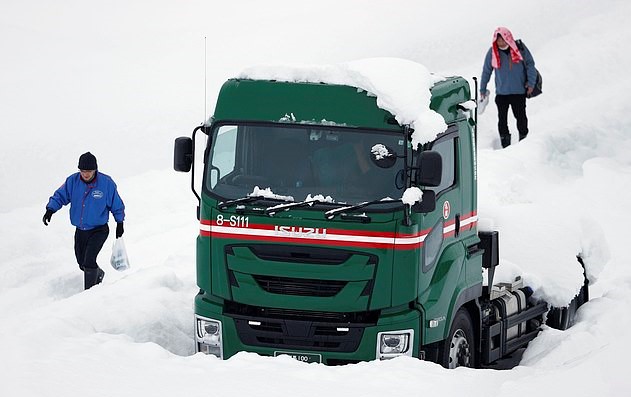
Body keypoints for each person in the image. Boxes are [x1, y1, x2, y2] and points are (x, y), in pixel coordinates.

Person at [42, 152, 125, 290]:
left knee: (89, 261)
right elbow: (60, 196)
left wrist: (120, 223)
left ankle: (89, 293)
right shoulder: (72, 181)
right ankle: (98, 274)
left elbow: (116, 204)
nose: (86, 174)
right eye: (83, 171)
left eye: (89, 171)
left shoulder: (106, 183)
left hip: (99, 230)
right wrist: (50, 209)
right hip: (81, 230)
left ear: (95, 170)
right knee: (82, 263)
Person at [480, 27, 537, 148]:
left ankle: (523, 141)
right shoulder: (492, 52)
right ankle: (505, 145)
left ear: (508, 38)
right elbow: (486, 71)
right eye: (498, 40)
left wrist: (531, 84)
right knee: (502, 120)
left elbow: (530, 65)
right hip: (502, 93)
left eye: (503, 39)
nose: (501, 42)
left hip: (519, 92)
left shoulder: (519, 49)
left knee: (521, 118)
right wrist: (482, 89)